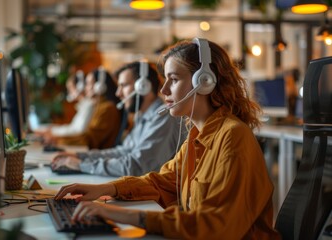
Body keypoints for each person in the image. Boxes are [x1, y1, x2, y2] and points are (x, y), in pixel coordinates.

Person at [54, 38, 281, 239]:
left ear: (203, 82)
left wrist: (120, 214)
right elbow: (161, 181)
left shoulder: (232, 136)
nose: (163, 90)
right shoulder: (196, 135)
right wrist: (107, 189)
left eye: (173, 79)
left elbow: (215, 227)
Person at [51, 61, 184, 177]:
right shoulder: (144, 116)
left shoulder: (163, 117)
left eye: (124, 85)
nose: (118, 93)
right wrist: (80, 157)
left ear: (143, 87)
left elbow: (136, 166)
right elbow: (124, 151)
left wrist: (82, 165)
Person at [43, 67, 123, 149]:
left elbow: (90, 139)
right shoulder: (100, 106)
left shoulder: (108, 109)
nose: (85, 88)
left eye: (88, 83)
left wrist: (58, 140)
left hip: (98, 154)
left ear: (99, 86)